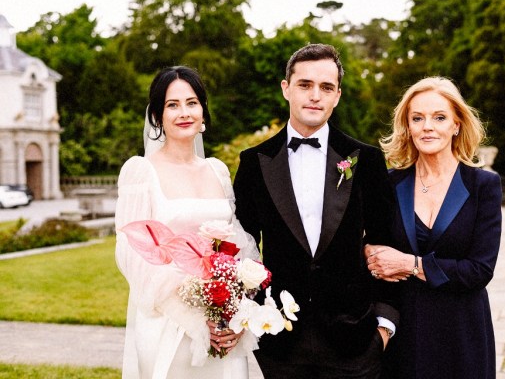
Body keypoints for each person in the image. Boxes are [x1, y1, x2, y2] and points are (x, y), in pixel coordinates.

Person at [233, 43, 399, 378]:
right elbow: (240, 247)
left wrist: (383, 327)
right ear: (286, 89)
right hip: (280, 343)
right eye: (305, 85)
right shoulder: (255, 162)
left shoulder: (364, 160)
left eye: (325, 87)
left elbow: (388, 242)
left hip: (355, 342)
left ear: (337, 95)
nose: (315, 96)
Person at [114, 66, 260, 378]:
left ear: (203, 112)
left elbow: (238, 241)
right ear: (157, 116)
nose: (184, 112)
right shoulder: (141, 171)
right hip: (168, 322)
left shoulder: (217, 170)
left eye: (192, 103)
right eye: (172, 105)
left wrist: (235, 312)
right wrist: (197, 318)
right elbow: (132, 255)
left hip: (223, 325)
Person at [366, 76, 502, 378]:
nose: (427, 126)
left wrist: (411, 264)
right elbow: (371, 249)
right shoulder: (388, 183)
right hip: (404, 331)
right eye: (418, 118)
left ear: (456, 125)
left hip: (462, 332)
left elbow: (480, 270)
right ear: (408, 126)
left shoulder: (484, 186)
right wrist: (370, 256)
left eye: (439, 117)